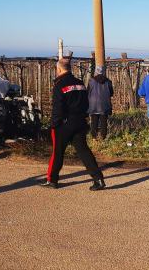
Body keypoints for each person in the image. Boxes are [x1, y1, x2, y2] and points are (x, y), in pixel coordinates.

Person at [44, 57, 106, 190]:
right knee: (84, 151)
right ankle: (98, 179)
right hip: (79, 122)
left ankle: (52, 180)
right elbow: (86, 103)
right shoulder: (80, 83)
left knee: (57, 153)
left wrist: (54, 124)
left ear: (59, 69)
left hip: (64, 124)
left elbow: (58, 107)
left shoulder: (59, 84)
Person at [87, 64, 113, 140]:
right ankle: (103, 137)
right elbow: (111, 93)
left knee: (94, 122)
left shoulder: (91, 81)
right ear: (103, 71)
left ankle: (94, 137)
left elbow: (88, 92)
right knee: (104, 122)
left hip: (93, 105)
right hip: (105, 105)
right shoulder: (108, 82)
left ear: (96, 71)